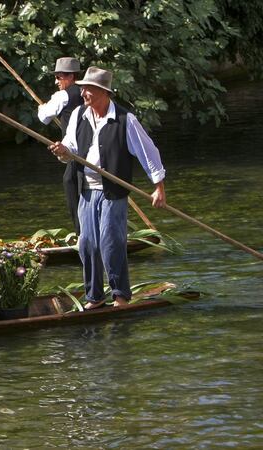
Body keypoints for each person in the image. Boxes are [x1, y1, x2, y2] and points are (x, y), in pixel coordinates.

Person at [48, 67, 167, 309]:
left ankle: (120, 295)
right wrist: (63, 152)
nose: (82, 93)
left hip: (112, 192)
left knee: (111, 243)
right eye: (82, 88)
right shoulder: (79, 115)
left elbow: (149, 153)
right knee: (88, 244)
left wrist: (158, 188)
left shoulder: (125, 120)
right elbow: (70, 148)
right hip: (87, 190)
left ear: (103, 92)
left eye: (87, 89)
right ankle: (95, 296)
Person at [38, 56, 84, 234]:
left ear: (71, 76)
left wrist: (41, 108)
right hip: (88, 149)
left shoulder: (63, 95)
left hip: (73, 151)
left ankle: (82, 233)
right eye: (56, 77)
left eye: (60, 77)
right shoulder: (86, 92)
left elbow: (44, 118)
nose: (56, 81)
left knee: (70, 182)